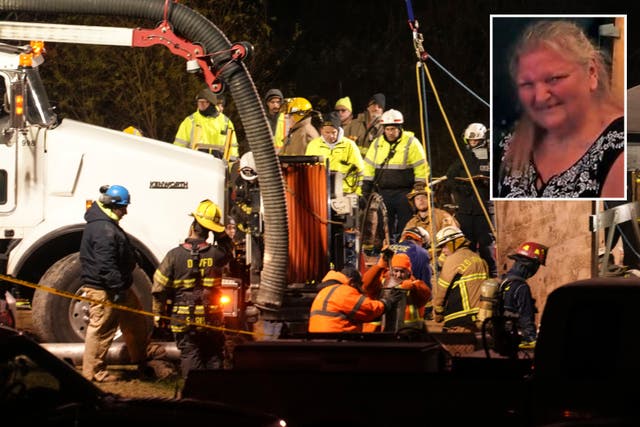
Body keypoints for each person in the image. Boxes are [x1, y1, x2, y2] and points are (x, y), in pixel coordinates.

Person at [497, 19, 624, 198]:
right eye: (527, 84)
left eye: (554, 79)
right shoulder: (509, 147)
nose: (540, 97)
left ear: (591, 72)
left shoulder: (618, 147)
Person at [151, 199, 234, 379]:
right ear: (209, 230)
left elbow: (159, 288)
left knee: (190, 356)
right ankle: (216, 398)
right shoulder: (217, 254)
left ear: (192, 225)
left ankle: (193, 395)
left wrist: (158, 313)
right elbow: (229, 248)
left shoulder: (174, 255)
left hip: (183, 320)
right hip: (212, 319)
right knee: (214, 356)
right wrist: (219, 232)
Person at [80, 184, 149, 382]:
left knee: (136, 321)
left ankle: (142, 361)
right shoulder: (103, 229)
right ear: (113, 205)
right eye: (123, 207)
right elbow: (106, 264)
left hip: (116, 286)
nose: (126, 211)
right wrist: (116, 288)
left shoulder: (105, 224)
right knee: (102, 330)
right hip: (106, 289)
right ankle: (94, 372)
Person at [362, 109, 429, 242]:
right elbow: (368, 166)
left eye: (393, 129)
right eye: (387, 129)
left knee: (406, 224)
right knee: (385, 225)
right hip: (383, 192)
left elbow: (421, 167)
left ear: (399, 128)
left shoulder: (411, 142)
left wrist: (419, 188)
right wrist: (366, 186)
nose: (390, 132)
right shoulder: (377, 144)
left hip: (404, 192)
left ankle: (405, 249)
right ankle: (386, 251)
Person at [446, 122, 497, 277]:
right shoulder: (464, 156)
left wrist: (488, 183)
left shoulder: (491, 155)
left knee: (486, 246)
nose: (473, 144)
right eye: (470, 141)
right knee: (466, 246)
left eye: (476, 141)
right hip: (466, 210)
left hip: (484, 209)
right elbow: (451, 176)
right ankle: (468, 275)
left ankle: (492, 275)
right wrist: (460, 187)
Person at [308, 265, 404, 333]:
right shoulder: (344, 291)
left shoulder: (326, 291)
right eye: (358, 286)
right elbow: (369, 309)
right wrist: (387, 302)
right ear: (352, 282)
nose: (359, 291)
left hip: (320, 339)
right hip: (336, 340)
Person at [432, 226, 488, 334]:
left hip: (460, 319)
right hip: (481, 317)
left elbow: (442, 291)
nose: (443, 251)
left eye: (444, 246)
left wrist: (438, 312)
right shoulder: (479, 259)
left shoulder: (452, 260)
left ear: (455, 242)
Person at [362, 252, 431, 332]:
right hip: (380, 333)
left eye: (402, 271)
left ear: (408, 272)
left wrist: (413, 286)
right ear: (390, 270)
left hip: (407, 333)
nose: (398, 275)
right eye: (396, 271)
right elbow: (366, 284)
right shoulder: (381, 283)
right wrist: (380, 265)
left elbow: (426, 295)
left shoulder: (413, 285)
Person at [499, 241, 548, 348]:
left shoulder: (502, 280)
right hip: (514, 340)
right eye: (537, 265)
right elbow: (526, 316)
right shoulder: (521, 287)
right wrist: (531, 338)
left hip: (500, 338)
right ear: (531, 265)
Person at [305, 111, 364, 195]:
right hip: (320, 192)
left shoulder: (349, 145)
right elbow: (307, 171)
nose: (331, 136)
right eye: (327, 132)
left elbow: (360, 170)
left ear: (339, 130)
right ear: (321, 130)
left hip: (345, 193)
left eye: (333, 132)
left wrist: (358, 194)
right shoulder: (313, 145)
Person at [174, 87, 239, 161]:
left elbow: (232, 146)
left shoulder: (226, 122)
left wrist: (232, 164)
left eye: (204, 102)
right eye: (199, 102)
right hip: (195, 163)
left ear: (211, 103)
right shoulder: (190, 121)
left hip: (219, 164)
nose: (201, 104)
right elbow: (180, 144)